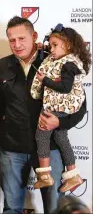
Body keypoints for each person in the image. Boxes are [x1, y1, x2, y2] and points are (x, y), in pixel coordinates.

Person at [0, 16, 87, 214]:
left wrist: (59, 122)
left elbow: (80, 107)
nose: (16, 45)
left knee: (55, 208)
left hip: (50, 148)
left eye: (22, 38)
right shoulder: (1, 66)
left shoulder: (57, 61)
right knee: (11, 208)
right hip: (12, 149)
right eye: (12, 40)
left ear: (34, 36)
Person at [30, 24, 91, 192]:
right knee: (61, 139)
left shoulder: (69, 64)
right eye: (51, 45)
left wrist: (45, 81)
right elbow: (48, 60)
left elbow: (65, 87)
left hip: (56, 107)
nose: (52, 49)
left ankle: (44, 176)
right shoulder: (58, 60)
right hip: (59, 107)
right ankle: (73, 175)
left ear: (69, 45)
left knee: (41, 136)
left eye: (55, 45)